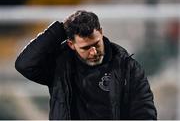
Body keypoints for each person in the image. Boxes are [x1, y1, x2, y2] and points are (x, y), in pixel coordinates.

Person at [15, 10, 157, 120]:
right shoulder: (60, 66)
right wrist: (58, 31)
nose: (93, 52)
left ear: (101, 32)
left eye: (96, 44)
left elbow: (145, 114)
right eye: (86, 48)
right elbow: (25, 64)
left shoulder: (128, 67)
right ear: (71, 44)